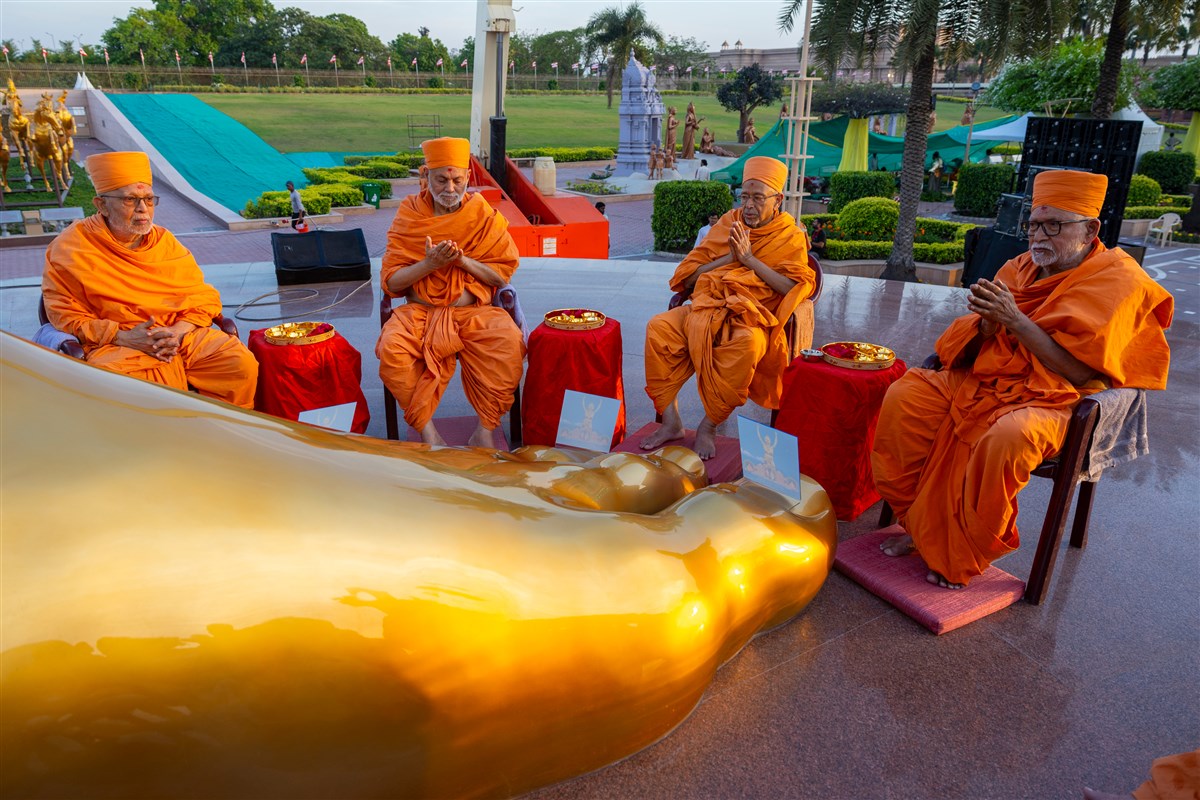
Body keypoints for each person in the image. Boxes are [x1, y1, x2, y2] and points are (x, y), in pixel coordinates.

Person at [871, 170, 1174, 589]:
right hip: (991, 380)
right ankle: (922, 526)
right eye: (1033, 224)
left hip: (1059, 399)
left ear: (1090, 230)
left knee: (1007, 437)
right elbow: (978, 339)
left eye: (1055, 225)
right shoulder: (1019, 267)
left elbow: (1082, 371)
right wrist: (987, 327)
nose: (1039, 236)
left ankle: (960, 552)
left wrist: (1014, 320)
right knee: (906, 395)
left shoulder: (1119, 280)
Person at [42, 151, 258, 408]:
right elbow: (64, 315)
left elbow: (201, 295)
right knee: (116, 383)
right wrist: (125, 338)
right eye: (130, 199)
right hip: (119, 343)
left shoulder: (164, 241)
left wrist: (178, 332)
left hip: (178, 335)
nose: (143, 209)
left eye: (148, 199)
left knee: (237, 362)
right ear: (101, 205)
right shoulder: (71, 247)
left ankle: (227, 433)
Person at [642, 156, 816, 460]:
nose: (748, 205)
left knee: (748, 345)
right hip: (706, 307)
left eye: (758, 198)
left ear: (778, 200)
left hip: (752, 318)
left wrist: (749, 260)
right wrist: (732, 258)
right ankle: (671, 422)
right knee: (659, 326)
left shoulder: (790, 236)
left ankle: (709, 426)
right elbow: (688, 277)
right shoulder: (729, 223)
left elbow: (794, 289)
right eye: (744, 196)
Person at [375, 136, 523, 448]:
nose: (451, 189)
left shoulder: (481, 213)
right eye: (441, 180)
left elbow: (500, 275)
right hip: (419, 312)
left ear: (469, 176)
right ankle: (429, 434)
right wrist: (428, 265)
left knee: (509, 343)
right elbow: (392, 283)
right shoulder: (409, 214)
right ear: (424, 175)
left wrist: (462, 260)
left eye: (457, 179)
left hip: (474, 312)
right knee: (392, 350)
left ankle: (485, 430)